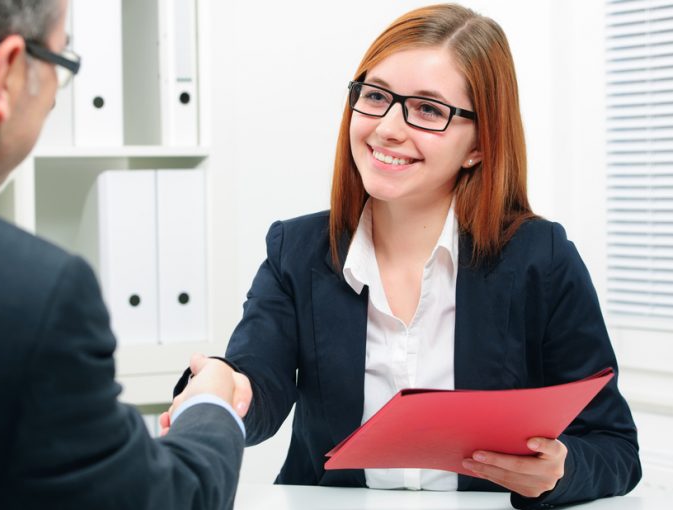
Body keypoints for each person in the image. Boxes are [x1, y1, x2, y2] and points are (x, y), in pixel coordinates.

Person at [168, 3, 640, 509]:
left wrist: (560, 470)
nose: (388, 127)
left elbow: (614, 448)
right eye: (375, 97)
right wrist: (226, 388)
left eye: (429, 110)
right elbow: (258, 384)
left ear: (478, 145)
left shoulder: (540, 259)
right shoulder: (297, 251)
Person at [0, 1, 250, 508]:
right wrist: (212, 404)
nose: (58, 100)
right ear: (6, 73)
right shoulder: (26, 296)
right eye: (64, 63)